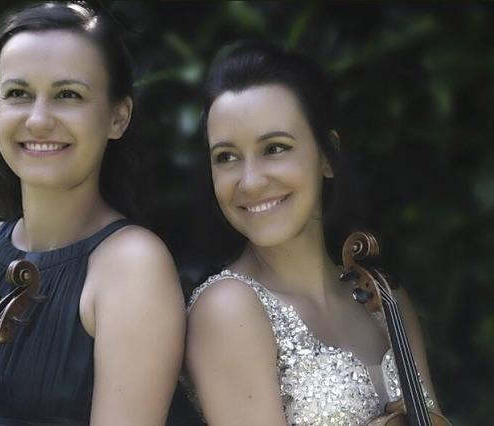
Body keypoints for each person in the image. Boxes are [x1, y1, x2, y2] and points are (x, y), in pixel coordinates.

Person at [0, 3, 186, 425]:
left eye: (68, 95)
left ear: (118, 117)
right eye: (18, 94)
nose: (38, 118)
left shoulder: (131, 265)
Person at [186, 40, 442, 425]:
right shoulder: (228, 309)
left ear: (326, 156)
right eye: (226, 157)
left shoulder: (385, 300)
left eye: (274, 148)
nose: (250, 182)